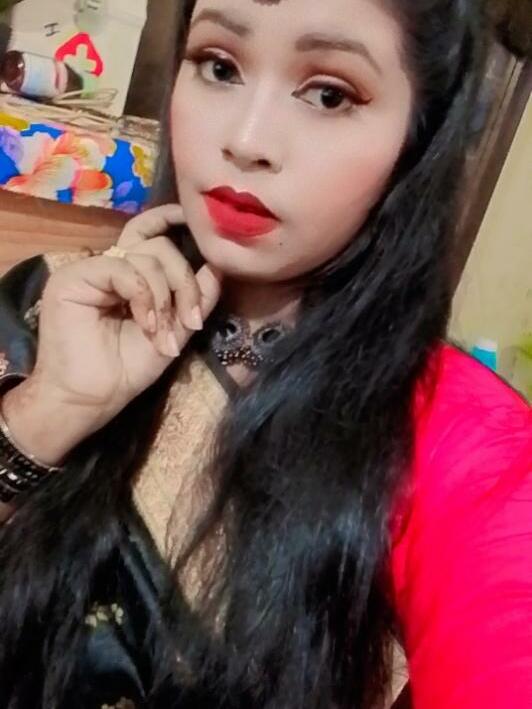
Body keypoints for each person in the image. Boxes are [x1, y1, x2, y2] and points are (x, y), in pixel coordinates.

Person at [0, 0, 530, 707]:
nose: (247, 140)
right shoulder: (55, 302)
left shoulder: (459, 439)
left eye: (329, 94)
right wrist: (49, 412)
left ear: (418, 137)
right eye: (219, 66)